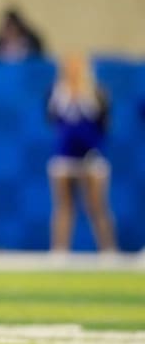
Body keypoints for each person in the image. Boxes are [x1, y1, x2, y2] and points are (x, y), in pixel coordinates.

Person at [47, 53, 117, 253]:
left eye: (77, 67)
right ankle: (59, 251)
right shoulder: (56, 94)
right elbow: (52, 120)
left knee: (97, 206)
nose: (73, 71)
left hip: (92, 156)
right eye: (69, 67)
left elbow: (105, 124)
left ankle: (109, 250)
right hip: (64, 156)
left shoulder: (97, 93)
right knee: (64, 207)